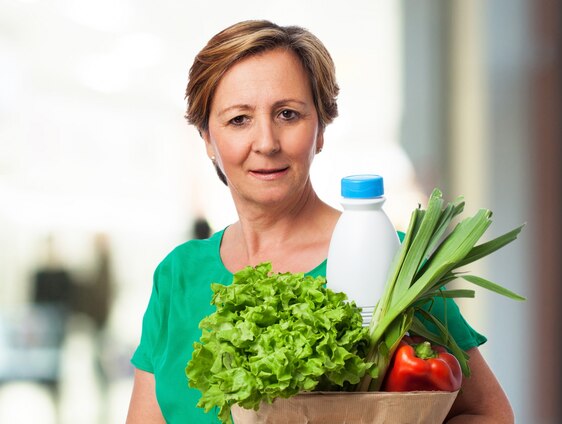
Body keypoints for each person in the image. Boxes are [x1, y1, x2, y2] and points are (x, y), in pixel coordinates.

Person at [126, 20, 514, 423]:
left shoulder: (395, 266)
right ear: (207, 138)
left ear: (321, 128)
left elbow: (488, 414)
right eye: (239, 119)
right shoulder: (177, 276)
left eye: (288, 114)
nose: (266, 142)